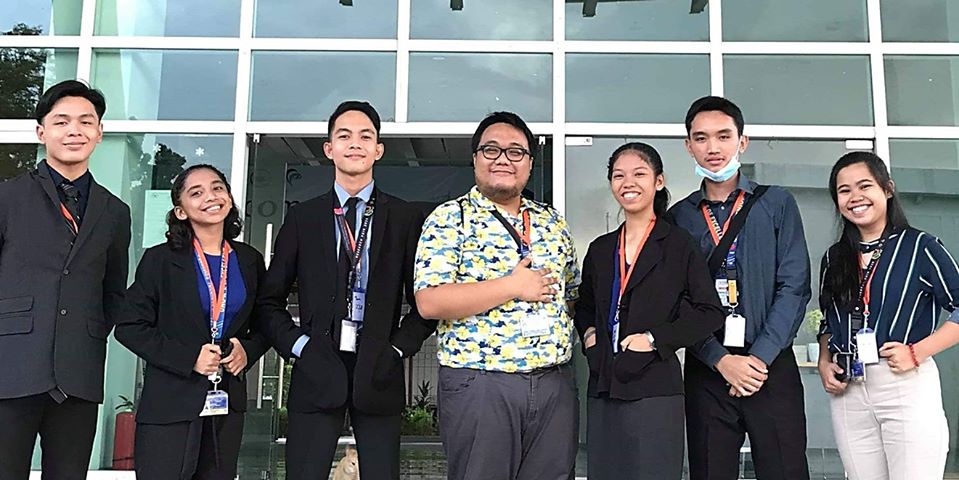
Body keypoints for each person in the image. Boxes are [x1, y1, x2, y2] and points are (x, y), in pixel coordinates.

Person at [255, 101, 435, 480]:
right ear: (329, 148)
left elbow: (427, 300)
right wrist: (300, 346)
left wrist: (398, 348)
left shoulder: (403, 218)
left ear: (378, 150)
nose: (355, 144)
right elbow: (269, 301)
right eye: (344, 136)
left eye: (365, 136)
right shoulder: (303, 217)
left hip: (378, 368)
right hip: (317, 367)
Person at [414, 111, 581, 480]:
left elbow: (570, 296)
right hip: (482, 382)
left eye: (515, 151)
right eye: (491, 149)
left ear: (530, 163)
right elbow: (430, 301)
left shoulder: (552, 223)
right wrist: (511, 286)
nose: (503, 158)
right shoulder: (448, 219)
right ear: (474, 158)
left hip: (553, 383)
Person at [668, 96, 811, 479]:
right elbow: (674, 301)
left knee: (785, 470)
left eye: (723, 136)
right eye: (701, 138)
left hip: (772, 365)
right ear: (688, 146)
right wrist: (720, 360)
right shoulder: (678, 217)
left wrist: (759, 359)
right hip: (708, 369)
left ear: (742, 142)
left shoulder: (776, 203)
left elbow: (794, 286)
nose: (713, 148)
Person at [0, 80, 131, 479]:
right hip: (10, 369)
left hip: (79, 373)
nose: (74, 130)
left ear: (99, 132)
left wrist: (83, 332)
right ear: (42, 132)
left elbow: (113, 291)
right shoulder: (8, 198)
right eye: (62, 121)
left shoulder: (114, 211)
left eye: (85, 121)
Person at [574, 142, 725, 480]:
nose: (628, 183)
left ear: (659, 181)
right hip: (603, 385)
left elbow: (708, 312)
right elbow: (584, 306)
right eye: (619, 176)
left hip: (655, 389)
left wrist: (655, 339)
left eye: (639, 174)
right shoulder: (600, 249)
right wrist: (589, 336)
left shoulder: (679, 244)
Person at [116, 164, 268, 479]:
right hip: (170, 403)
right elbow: (129, 327)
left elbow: (267, 321)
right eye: (195, 193)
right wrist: (189, 358)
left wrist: (247, 350)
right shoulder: (160, 260)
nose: (210, 197)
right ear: (181, 211)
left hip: (225, 402)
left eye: (217, 188)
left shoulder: (249, 260)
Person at [817, 151, 959, 480]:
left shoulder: (920, 246)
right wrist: (825, 360)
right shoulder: (835, 257)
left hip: (904, 381)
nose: (855, 197)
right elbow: (828, 320)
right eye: (844, 190)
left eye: (864, 186)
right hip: (849, 388)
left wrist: (917, 352)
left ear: (888, 189)